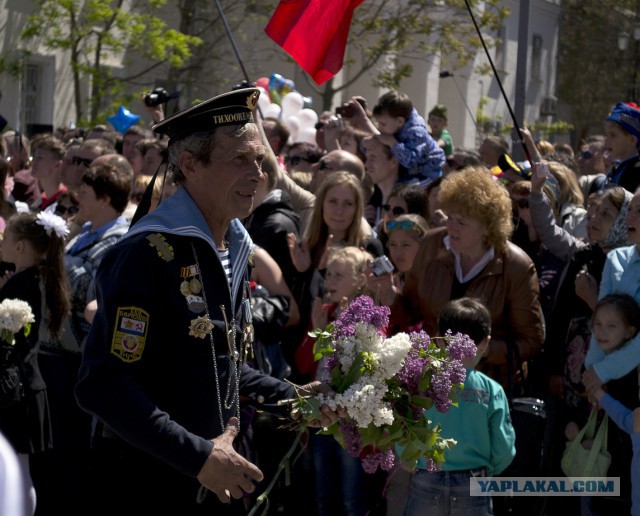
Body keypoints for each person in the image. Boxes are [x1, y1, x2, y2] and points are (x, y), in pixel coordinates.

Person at [74, 87, 339, 514]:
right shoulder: (147, 252)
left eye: (258, 159)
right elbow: (103, 384)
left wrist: (295, 396)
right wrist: (198, 456)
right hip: (148, 485)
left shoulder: (232, 244)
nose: (256, 173)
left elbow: (217, 365)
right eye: (238, 159)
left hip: (211, 484)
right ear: (190, 165)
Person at [390, 166, 544, 391]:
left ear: (488, 226)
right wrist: (390, 299)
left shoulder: (516, 267)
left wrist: (483, 348)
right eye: (450, 218)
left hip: (484, 390)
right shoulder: (432, 245)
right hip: (430, 382)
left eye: (461, 222)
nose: (451, 227)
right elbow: (411, 311)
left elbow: (531, 342)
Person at [402, 297, 516, 516]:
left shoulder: (422, 383)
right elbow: (504, 447)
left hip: (427, 476)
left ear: (441, 341)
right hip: (474, 481)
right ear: (486, 343)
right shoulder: (492, 390)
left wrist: (407, 458)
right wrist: (487, 470)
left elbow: (405, 423)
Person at [0, 211, 70, 515]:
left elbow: (9, 341)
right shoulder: (40, 279)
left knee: (15, 469)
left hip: (15, 389)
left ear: (20, 247)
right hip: (30, 384)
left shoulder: (20, 285)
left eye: (6, 238)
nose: (1, 244)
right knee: (22, 467)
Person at [573, 294, 640, 515]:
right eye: (598, 324)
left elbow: (630, 424)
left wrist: (603, 443)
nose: (602, 331)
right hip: (593, 467)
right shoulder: (595, 365)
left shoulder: (631, 374)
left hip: (621, 473)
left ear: (630, 332)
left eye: (611, 326)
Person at [343, 92, 445, 182]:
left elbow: (411, 161)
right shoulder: (394, 125)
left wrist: (393, 143)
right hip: (413, 171)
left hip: (429, 171)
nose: (380, 128)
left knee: (405, 190)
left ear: (400, 121)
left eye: (383, 124)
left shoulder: (416, 133)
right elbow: (380, 142)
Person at [603, 102, 640, 193]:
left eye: (613, 135)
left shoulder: (637, 171)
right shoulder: (616, 168)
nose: (607, 141)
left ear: (632, 140)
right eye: (607, 135)